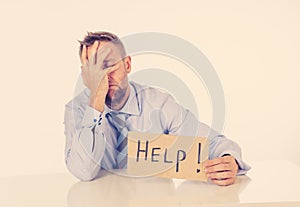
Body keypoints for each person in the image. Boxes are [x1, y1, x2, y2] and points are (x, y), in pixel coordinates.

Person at [64, 31, 250, 186]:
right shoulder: (77, 110)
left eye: (109, 65)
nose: (103, 77)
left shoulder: (158, 104)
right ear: (85, 74)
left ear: (127, 64)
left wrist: (229, 160)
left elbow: (213, 142)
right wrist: (96, 100)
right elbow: (84, 171)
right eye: (94, 69)